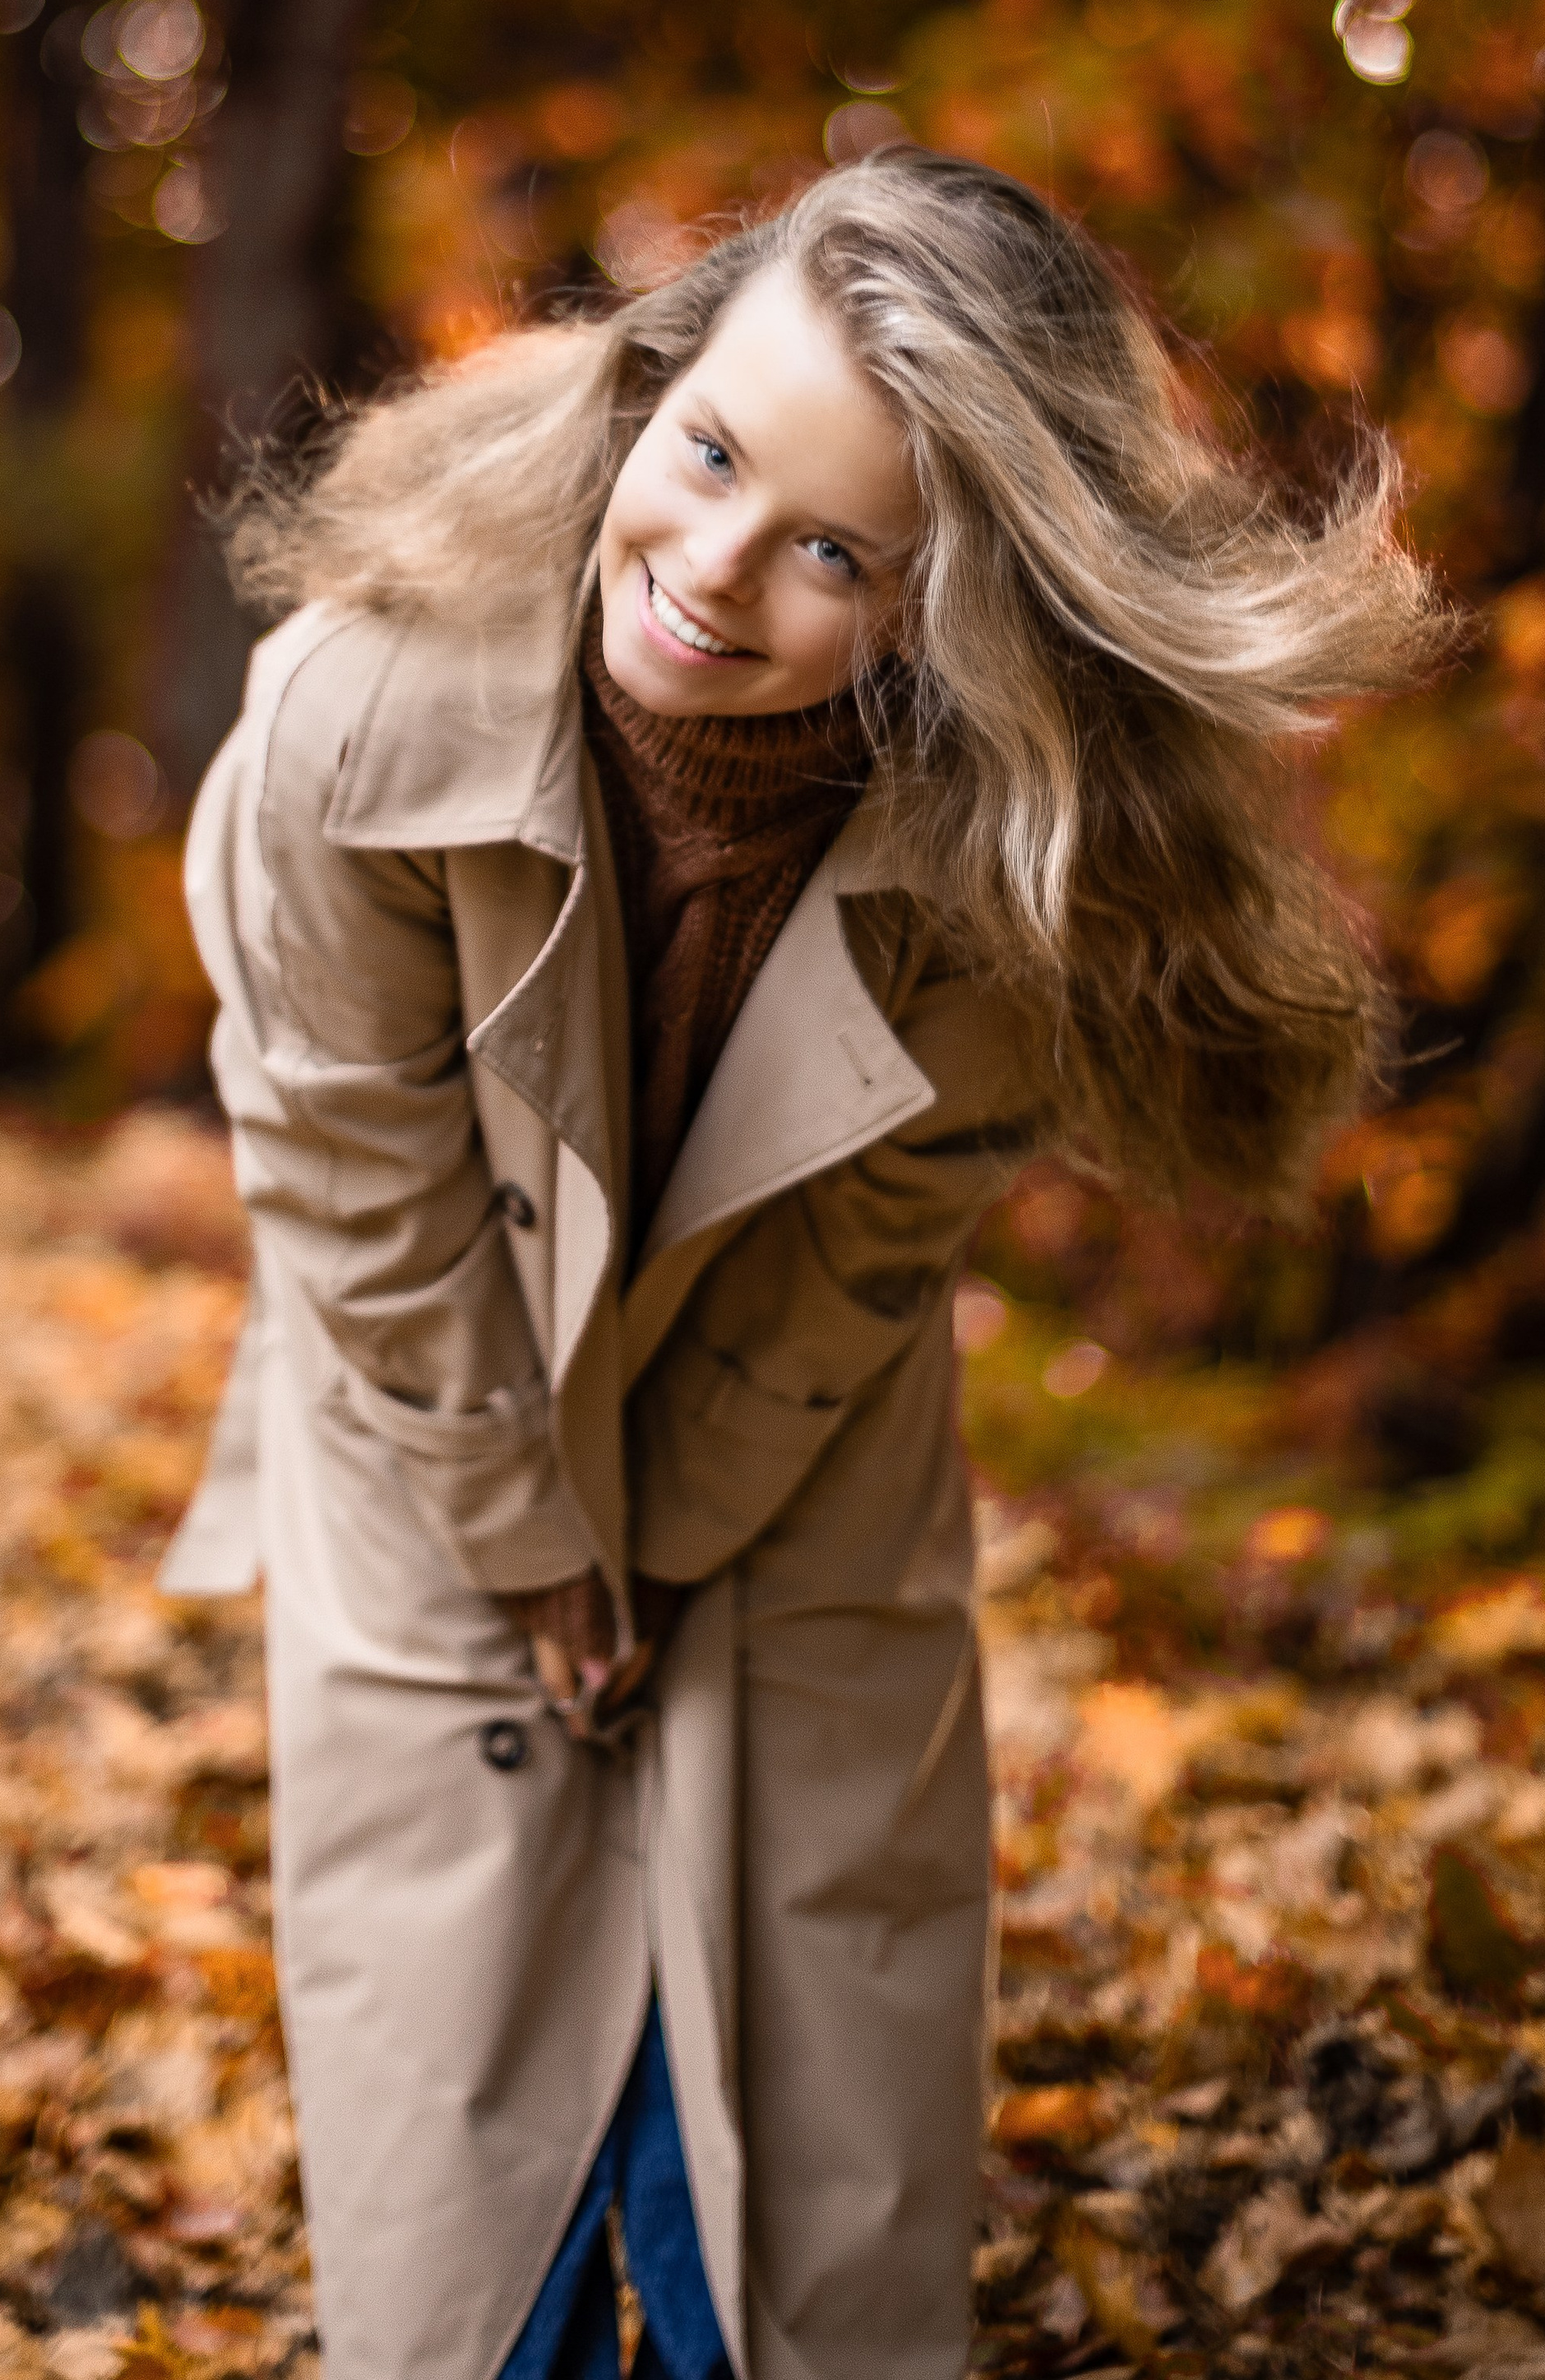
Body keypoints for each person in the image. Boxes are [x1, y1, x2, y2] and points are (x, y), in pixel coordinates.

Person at [158, 152, 1445, 2380]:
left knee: (807, 2038)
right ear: (656, 383)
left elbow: (868, 1245)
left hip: (796, 1426)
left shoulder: (1008, 864)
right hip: (427, 1387)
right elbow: (359, 1184)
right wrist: (537, 1535)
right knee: (464, 2077)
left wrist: (663, 1534)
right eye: (715, 454)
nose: (720, 571)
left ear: (955, 614)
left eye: (838, 550)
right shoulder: (360, 718)